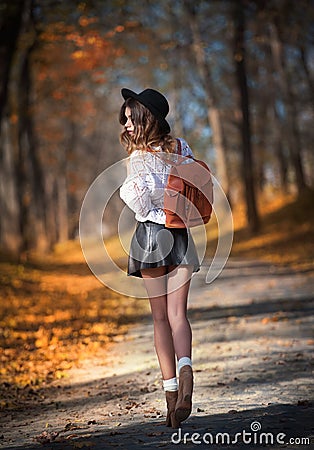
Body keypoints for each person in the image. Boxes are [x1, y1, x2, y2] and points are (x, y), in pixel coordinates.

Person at [119, 88, 200, 429]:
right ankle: (186, 370)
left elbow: (137, 203)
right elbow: (197, 185)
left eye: (129, 117)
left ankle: (170, 396)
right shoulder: (183, 148)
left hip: (151, 237)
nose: (125, 124)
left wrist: (133, 190)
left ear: (145, 118)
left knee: (159, 320)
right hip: (180, 234)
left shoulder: (137, 158)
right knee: (178, 315)